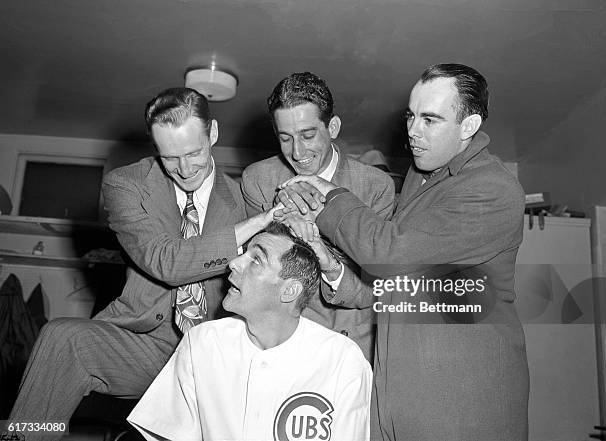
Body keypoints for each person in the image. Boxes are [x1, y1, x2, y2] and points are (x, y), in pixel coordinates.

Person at [278, 64, 529, 441]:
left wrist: (329, 196)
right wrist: (331, 265)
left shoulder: (492, 189)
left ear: (469, 126)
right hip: (395, 392)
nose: (412, 131)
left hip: (460, 403)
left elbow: (391, 253)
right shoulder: (421, 173)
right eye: (411, 116)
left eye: (430, 119)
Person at [7, 88, 275, 440]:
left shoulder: (245, 197)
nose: (184, 169)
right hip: (147, 344)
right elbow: (165, 261)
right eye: (169, 157)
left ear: (213, 133)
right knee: (64, 337)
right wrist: (253, 225)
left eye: (193, 152)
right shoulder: (126, 185)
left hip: (219, 352)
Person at [127, 222, 372, 441]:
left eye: (256, 259)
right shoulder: (203, 342)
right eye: (243, 253)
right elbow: (169, 434)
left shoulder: (342, 360)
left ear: (289, 291)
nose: (233, 263)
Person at [241, 72, 395, 361]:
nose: (297, 152)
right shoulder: (258, 179)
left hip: (352, 342)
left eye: (308, 135)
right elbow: (259, 273)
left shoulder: (376, 187)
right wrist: (280, 223)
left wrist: (326, 253)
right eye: (285, 138)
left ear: (333, 127)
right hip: (285, 340)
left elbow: (376, 285)